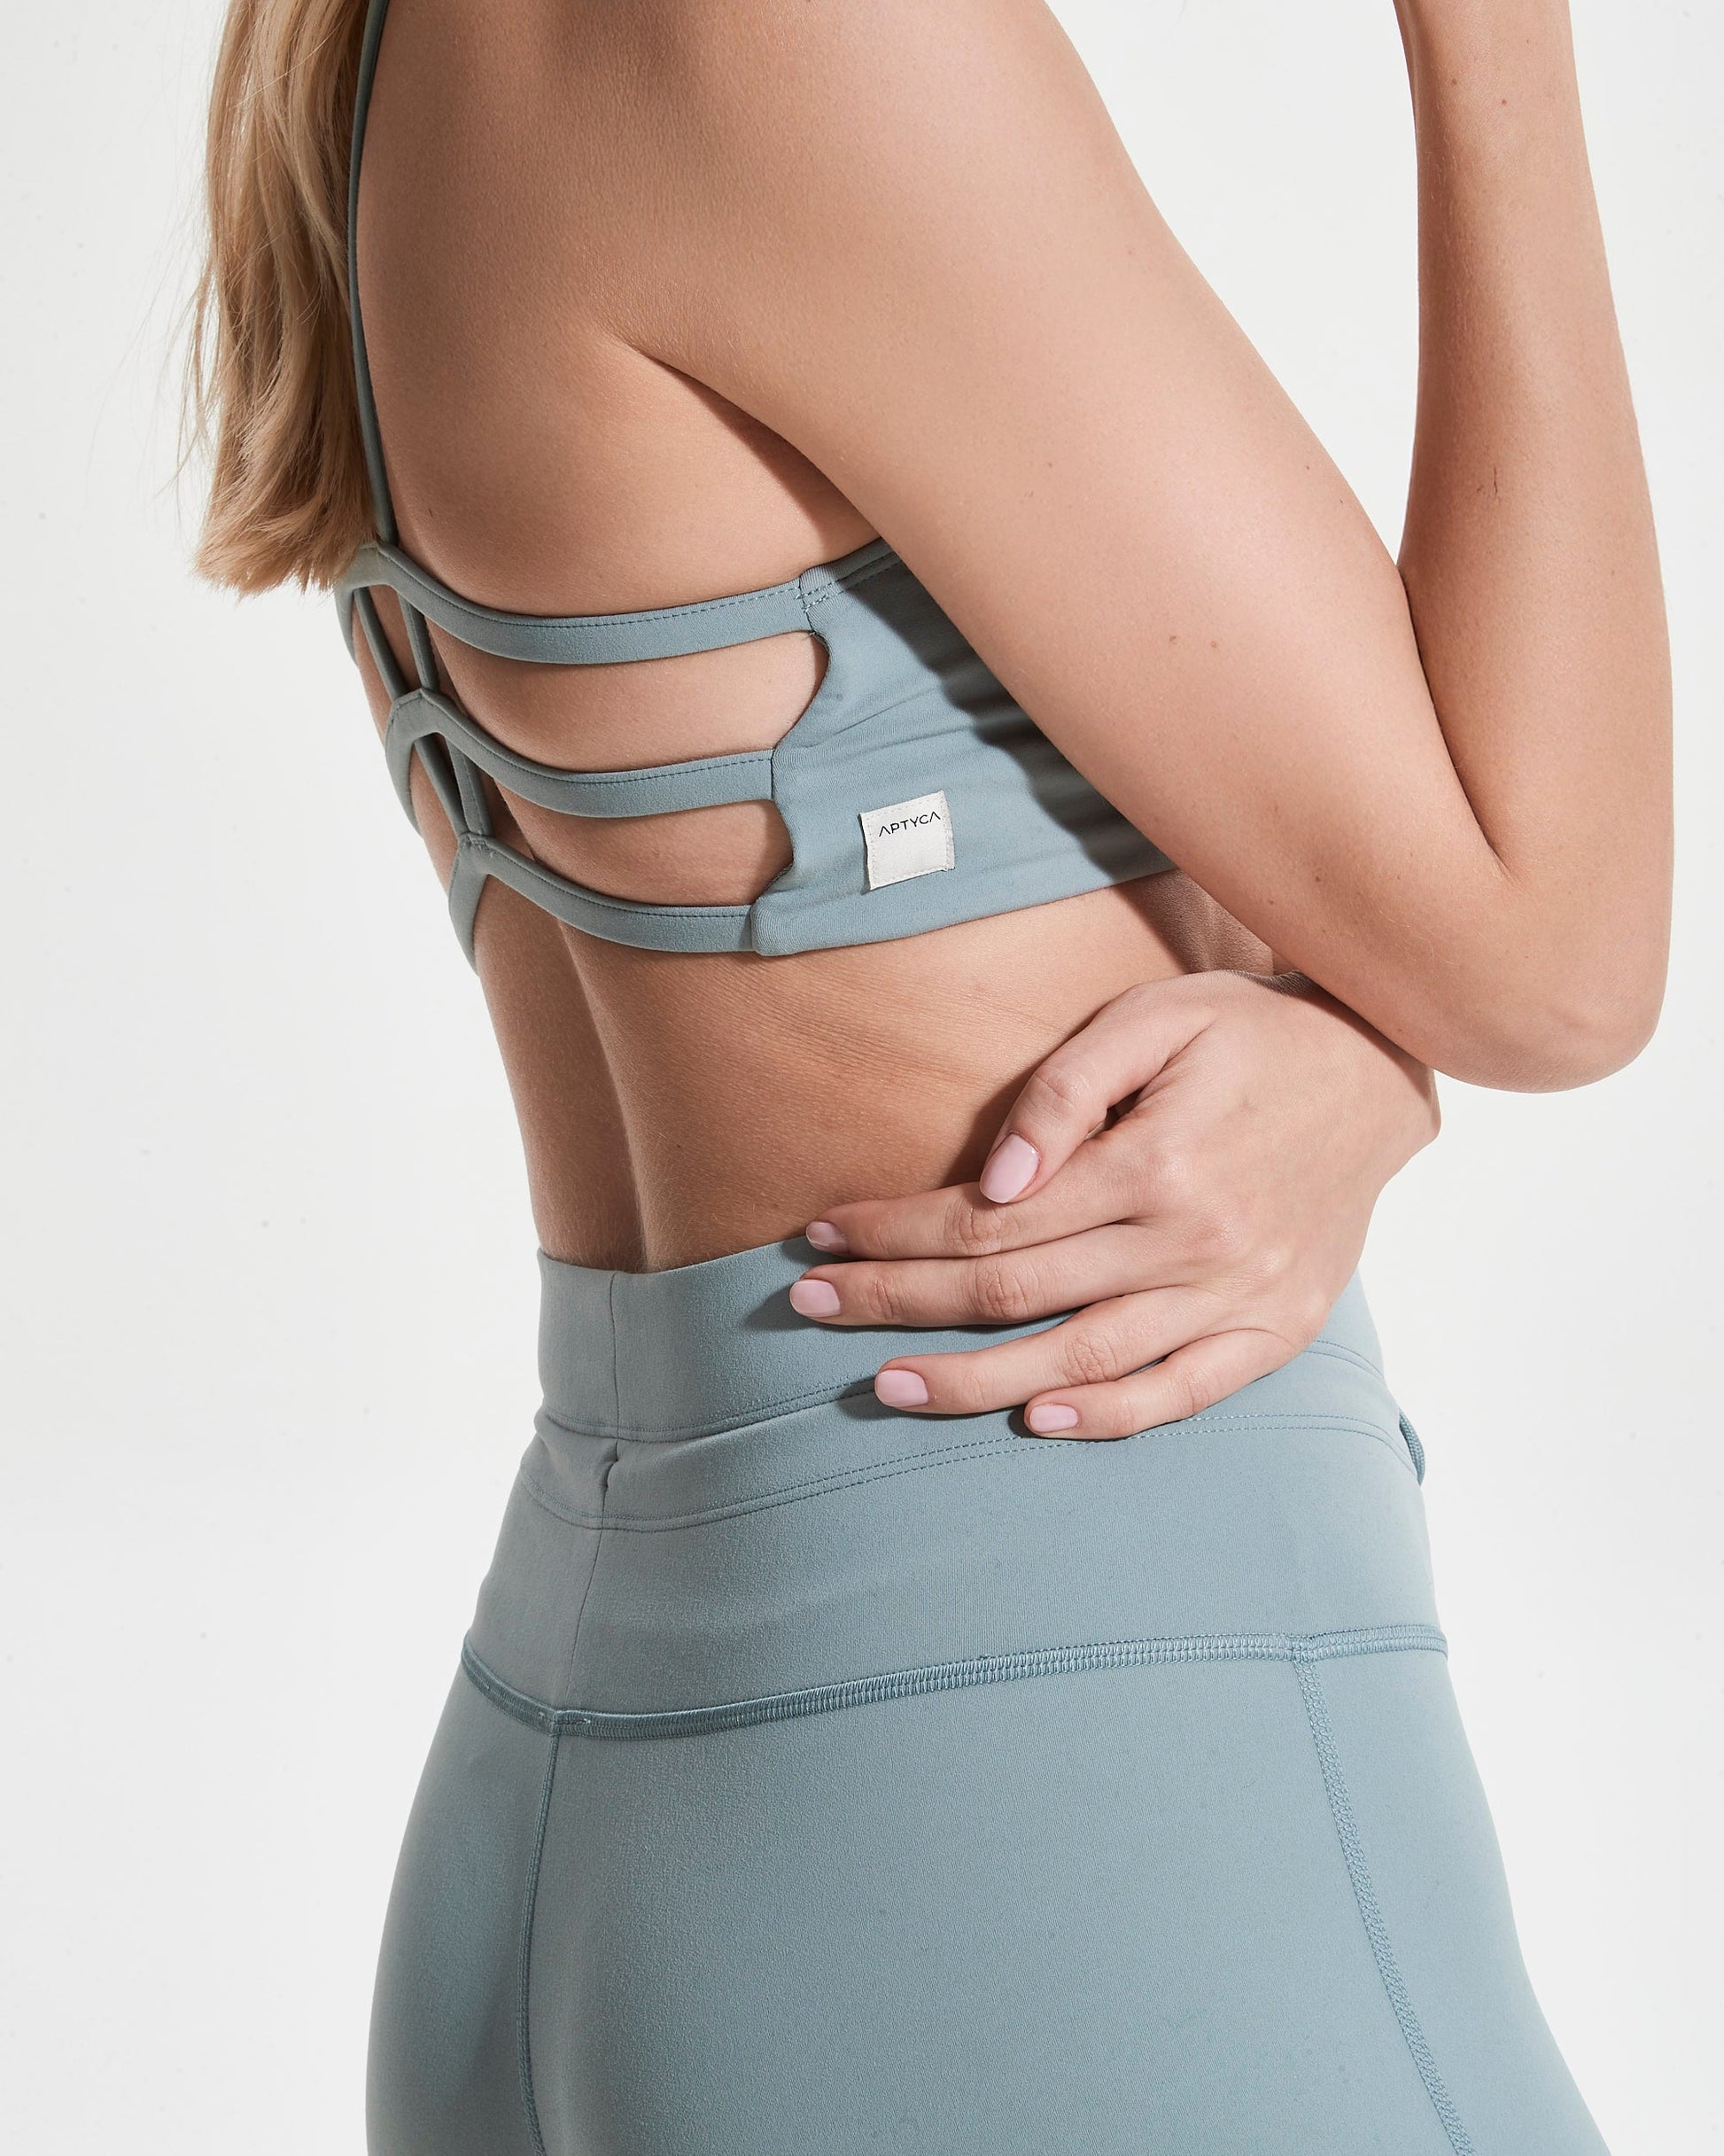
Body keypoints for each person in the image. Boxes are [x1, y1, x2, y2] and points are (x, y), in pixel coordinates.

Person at [188, 0, 1670, 2149]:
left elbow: (1371, 895)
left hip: (594, 1772)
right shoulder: (801, 35)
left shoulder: (400, 49)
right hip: (1042, 1736)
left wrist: (1360, 1037)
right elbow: (1554, 957)